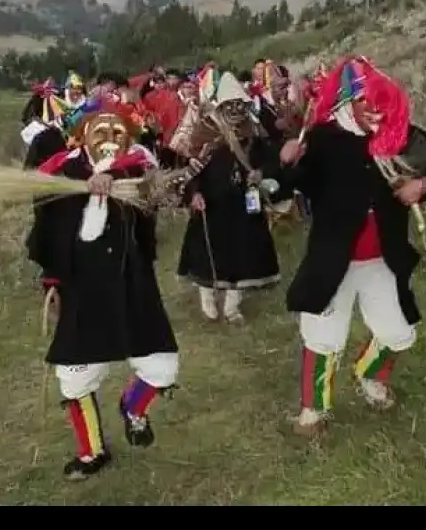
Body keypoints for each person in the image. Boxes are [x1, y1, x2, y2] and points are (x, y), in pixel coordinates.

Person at [277, 57, 426, 436]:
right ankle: (313, 412)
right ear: (347, 102)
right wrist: (286, 163)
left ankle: (369, 375)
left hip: (383, 258)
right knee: (322, 337)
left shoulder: (399, 133)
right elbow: (289, 185)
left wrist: (423, 185)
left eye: (379, 100)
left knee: (398, 333)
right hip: (333, 259)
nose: (375, 110)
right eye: (365, 102)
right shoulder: (323, 138)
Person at [26, 112, 179, 480]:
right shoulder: (61, 174)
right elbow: (48, 233)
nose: (110, 138)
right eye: (100, 132)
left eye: (119, 132)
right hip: (83, 289)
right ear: (81, 136)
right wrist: (53, 283)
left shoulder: (135, 166)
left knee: (162, 366)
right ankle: (92, 451)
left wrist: (112, 177)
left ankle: (132, 407)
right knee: (75, 376)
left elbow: (144, 177)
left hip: (132, 283)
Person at [177, 72, 281, 323]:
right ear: (221, 104)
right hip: (212, 201)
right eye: (230, 104)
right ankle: (207, 298)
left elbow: (269, 158)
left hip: (245, 200)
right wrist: (194, 192)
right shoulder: (206, 128)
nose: (236, 109)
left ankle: (233, 306)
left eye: (240, 104)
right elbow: (190, 165)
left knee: (243, 250)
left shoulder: (254, 127)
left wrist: (260, 172)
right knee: (208, 250)